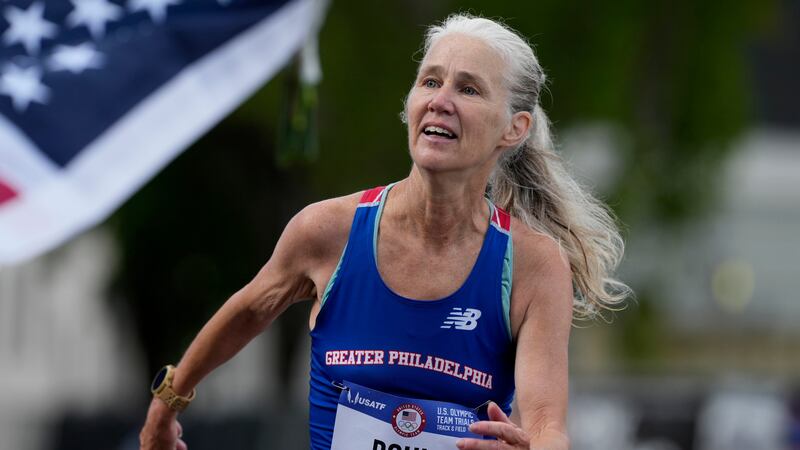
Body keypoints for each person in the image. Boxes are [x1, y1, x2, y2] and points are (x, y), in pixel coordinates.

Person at [140, 14, 629, 450]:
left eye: (469, 89)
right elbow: (248, 311)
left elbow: (546, 425)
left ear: (514, 128)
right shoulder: (328, 230)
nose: (440, 101)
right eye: (430, 81)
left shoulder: (532, 264)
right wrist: (168, 402)